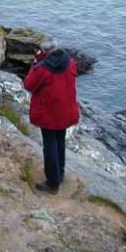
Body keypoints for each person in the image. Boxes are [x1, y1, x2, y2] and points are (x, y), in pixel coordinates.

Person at [24, 37, 79, 195]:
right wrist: (42, 59)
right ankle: (59, 174)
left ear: (45, 51)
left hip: (48, 112)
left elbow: (29, 85)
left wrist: (35, 64)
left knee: (49, 145)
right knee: (59, 141)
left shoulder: (42, 69)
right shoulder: (70, 62)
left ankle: (52, 183)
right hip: (66, 110)